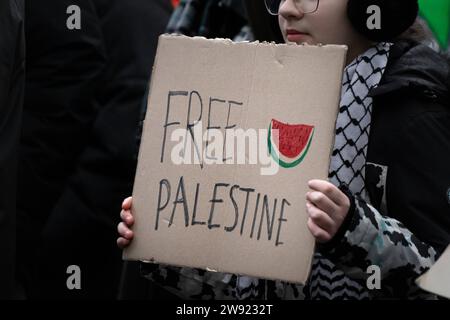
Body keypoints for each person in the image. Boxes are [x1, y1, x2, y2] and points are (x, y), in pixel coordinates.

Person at [118, 0, 450, 299]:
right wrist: (166, 254)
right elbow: (251, 292)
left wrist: (354, 230)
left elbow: (442, 281)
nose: (287, 10)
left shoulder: (415, 113)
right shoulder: (273, 97)